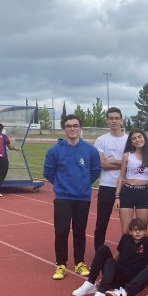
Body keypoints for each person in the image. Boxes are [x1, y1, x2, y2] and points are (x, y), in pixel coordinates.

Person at [43, 114, 101, 280]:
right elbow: (48, 172)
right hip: (63, 197)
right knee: (61, 230)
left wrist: (84, 184)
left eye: (75, 125)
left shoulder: (90, 150)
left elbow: (96, 170)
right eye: (69, 126)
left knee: (80, 231)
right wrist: (61, 185)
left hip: (82, 197)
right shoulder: (54, 151)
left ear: (80, 127)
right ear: (64, 129)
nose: (72, 128)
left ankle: (79, 262)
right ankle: (61, 263)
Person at [72, 218, 148, 296]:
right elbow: (115, 256)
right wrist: (109, 271)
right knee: (103, 249)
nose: (137, 232)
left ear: (145, 232)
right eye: (135, 230)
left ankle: (102, 293)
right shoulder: (125, 238)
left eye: (140, 230)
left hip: (130, 278)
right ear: (130, 231)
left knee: (111, 262)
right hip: (118, 272)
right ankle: (90, 282)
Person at [93, 107, 128, 250]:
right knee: (101, 223)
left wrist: (113, 161)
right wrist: (124, 163)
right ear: (107, 120)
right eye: (111, 118)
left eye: (116, 118)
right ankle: (99, 253)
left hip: (126, 186)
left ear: (121, 120)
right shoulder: (101, 140)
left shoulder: (129, 139)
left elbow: (133, 163)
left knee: (126, 225)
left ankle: (126, 253)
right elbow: (102, 164)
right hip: (107, 186)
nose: (114, 121)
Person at [114, 129, 148, 234]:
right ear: (131, 142)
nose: (137, 140)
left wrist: (143, 181)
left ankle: (141, 251)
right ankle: (125, 250)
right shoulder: (127, 155)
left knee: (142, 230)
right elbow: (121, 177)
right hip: (127, 192)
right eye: (134, 138)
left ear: (144, 138)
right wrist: (117, 197)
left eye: (139, 137)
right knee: (126, 231)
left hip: (143, 193)